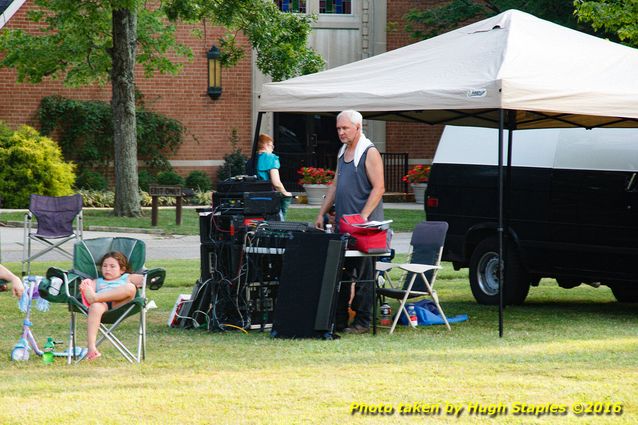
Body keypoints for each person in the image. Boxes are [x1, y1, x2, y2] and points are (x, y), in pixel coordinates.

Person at [315, 110, 385, 334]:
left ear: (358, 127)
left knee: (364, 276)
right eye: (338, 129)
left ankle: (363, 322)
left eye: (345, 128)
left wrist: (363, 217)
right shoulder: (342, 151)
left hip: (366, 230)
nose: (341, 132)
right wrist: (321, 213)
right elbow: (335, 185)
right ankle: (340, 319)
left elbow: (380, 187)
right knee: (341, 274)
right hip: (344, 228)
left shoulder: (369, 152)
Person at [79, 251, 143, 360]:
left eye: (112, 266)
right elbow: (87, 289)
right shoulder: (97, 281)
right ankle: (91, 347)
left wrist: (145, 278)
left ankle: (95, 298)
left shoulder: (127, 277)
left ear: (122, 270)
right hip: (103, 306)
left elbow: (144, 278)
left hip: (120, 305)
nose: (107, 269)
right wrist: (85, 286)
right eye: (104, 266)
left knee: (131, 288)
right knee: (95, 306)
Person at [256, 133, 293, 219]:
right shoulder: (271, 157)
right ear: (267, 145)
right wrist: (285, 193)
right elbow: (276, 183)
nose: (272, 149)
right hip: (268, 197)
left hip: (254, 198)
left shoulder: (251, 160)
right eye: (272, 146)